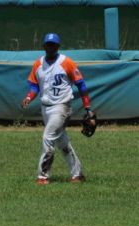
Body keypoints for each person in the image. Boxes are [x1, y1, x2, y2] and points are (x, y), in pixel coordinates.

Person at [21, 32, 92, 185]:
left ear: (58, 46)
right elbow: (34, 86)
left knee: (48, 137)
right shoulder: (38, 64)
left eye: (53, 45)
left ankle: (43, 176)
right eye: (48, 44)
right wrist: (28, 97)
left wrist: (88, 107)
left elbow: (81, 85)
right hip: (45, 108)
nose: (50, 47)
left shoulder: (67, 62)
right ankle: (77, 174)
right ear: (44, 46)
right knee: (63, 143)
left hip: (62, 107)